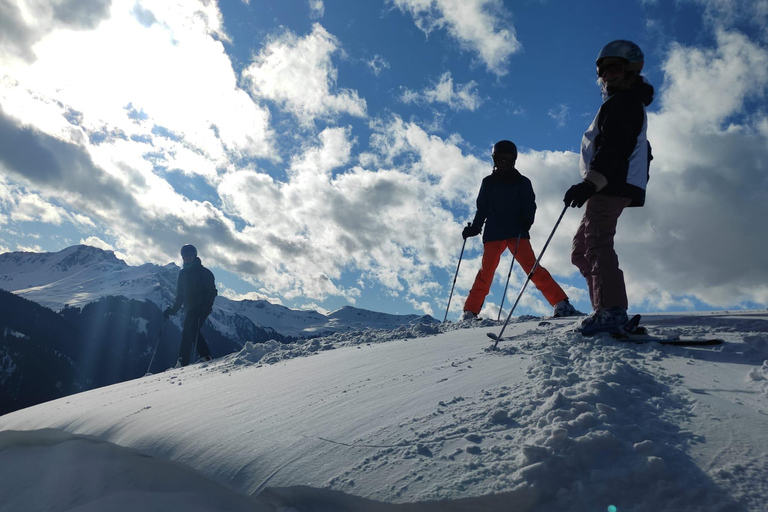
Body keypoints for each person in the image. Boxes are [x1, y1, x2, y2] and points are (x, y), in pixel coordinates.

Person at [564, 40, 654, 335]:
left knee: (597, 244)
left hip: (609, 185)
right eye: (603, 71)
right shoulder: (617, 103)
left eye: (614, 68)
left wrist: (590, 183)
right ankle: (603, 308)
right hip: (605, 185)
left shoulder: (624, 103)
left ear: (631, 69)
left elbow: (615, 147)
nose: (607, 75)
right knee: (581, 250)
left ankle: (612, 311)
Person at [461, 140, 580, 321]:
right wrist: (476, 227)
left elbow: (529, 205)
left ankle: (561, 303)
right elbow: (482, 208)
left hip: (516, 232)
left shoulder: (522, 182)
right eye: (500, 158)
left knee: (532, 268)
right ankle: (470, 311)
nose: (503, 162)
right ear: (494, 159)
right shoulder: (488, 183)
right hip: (494, 234)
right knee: (486, 272)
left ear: (514, 160)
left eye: (507, 159)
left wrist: (527, 221)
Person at [164, 244, 217, 366]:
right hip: (190, 308)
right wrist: (173, 310)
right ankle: (183, 361)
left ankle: (203, 356)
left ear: (195, 255)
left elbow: (212, 291)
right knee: (187, 333)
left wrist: (206, 306)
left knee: (191, 330)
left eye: (189, 255)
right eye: (185, 256)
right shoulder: (182, 274)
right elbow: (180, 295)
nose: (187, 258)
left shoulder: (204, 272)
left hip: (202, 307)